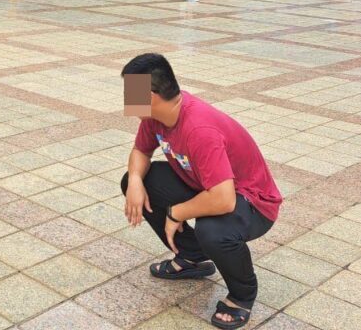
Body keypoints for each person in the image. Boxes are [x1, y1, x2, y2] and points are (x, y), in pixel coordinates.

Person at [120, 53, 281, 330]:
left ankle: (242, 295)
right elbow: (141, 151)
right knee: (141, 181)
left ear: (151, 94)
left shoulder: (199, 128)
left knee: (213, 230)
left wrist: (176, 213)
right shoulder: (155, 116)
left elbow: (223, 199)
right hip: (209, 186)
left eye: (130, 91)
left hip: (252, 201)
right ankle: (192, 257)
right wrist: (135, 179)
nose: (126, 98)